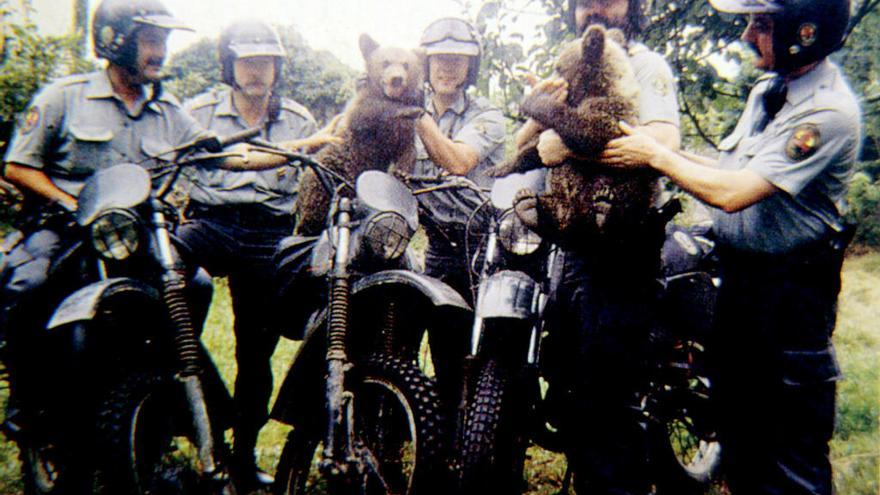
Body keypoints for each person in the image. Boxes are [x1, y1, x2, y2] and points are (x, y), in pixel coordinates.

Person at [0, 0, 307, 443]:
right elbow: (17, 166)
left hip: (130, 233)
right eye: (150, 40)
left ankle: (157, 389)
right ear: (115, 41)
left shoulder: (168, 111)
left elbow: (218, 156)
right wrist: (69, 202)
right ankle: (27, 401)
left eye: (163, 40)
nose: (161, 51)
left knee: (194, 286)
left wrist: (302, 146)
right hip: (63, 225)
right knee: (27, 285)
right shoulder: (63, 97)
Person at [600, 0, 859, 493]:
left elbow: (733, 193)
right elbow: (730, 172)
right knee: (741, 442)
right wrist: (663, 153)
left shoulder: (826, 112)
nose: (745, 36)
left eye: (760, 24)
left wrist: (657, 156)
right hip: (740, 287)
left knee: (789, 458)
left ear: (804, 31)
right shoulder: (770, 92)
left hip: (790, 303)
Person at [516, 0, 681, 493]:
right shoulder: (569, 65)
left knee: (608, 404)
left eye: (607, 0)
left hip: (623, 252)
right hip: (575, 247)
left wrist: (566, 142)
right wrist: (540, 112)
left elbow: (661, 141)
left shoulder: (643, 65)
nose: (594, 10)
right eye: (583, 2)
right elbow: (529, 142)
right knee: (572, 385)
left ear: (631, 6)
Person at [174, 19, 319, 490]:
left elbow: (314, 183)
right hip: (209, 224)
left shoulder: (299, 120)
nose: (257, 71)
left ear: (278, 68)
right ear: (228, 65)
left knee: (256, 352)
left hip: (267, 232)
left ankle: (244, 454)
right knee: (160, 295)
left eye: (266, 62)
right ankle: (206, 415)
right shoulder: (195, 111)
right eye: (247, 61)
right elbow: (172, 170)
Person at [412, 17, 506, 408]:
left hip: (483, 247)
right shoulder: (406, 109)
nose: (447, 68)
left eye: (458, 60)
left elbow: (457, 161)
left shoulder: (488, 116)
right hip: (436, 245)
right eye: (438, 60)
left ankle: (492, 436)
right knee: (444, 346)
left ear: (472, 67)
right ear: (426, 65)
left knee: (491, 349)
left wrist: (412, 115)